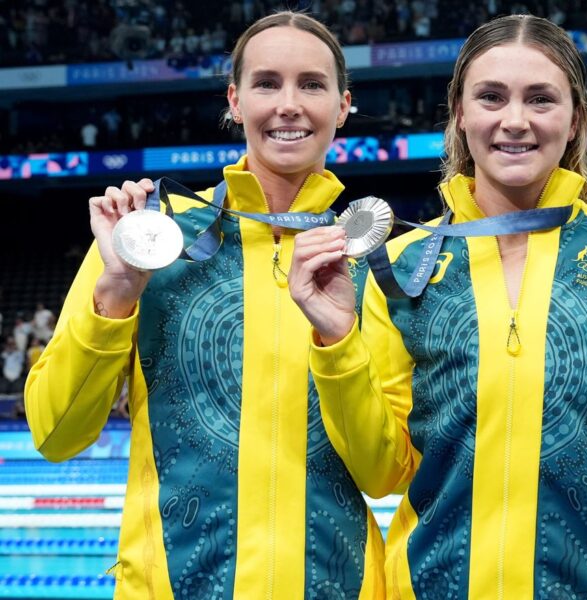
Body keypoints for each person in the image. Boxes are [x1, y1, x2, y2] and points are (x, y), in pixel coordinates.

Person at [288, 15, 587, 597]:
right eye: (491, 97)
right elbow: (381, 470)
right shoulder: (400, 265)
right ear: (460, 114)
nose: (515, 121)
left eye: (540, 99)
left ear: (575, 118)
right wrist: (337, 341)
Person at [25, 12, 385, 598]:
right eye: (267, 83)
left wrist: (338, 340)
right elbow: (54, 433)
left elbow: (381, 469)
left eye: (312, 85)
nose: (289, 104)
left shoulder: (375, 263)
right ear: (235, 100)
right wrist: (116, 295)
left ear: (342, 106)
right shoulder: (148, 240)